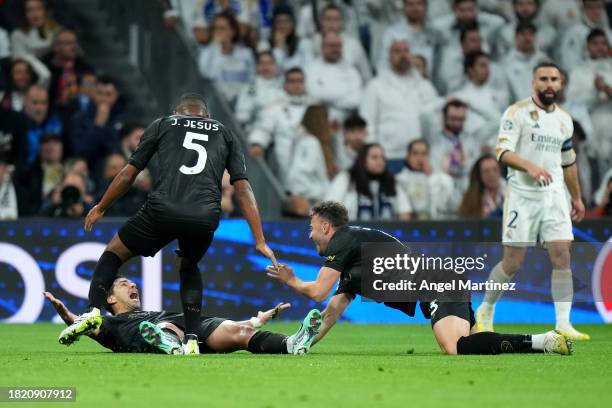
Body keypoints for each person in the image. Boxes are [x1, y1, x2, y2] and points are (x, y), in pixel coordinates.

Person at [57, 93, 279, 356]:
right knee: (189, 266)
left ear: (177, 112)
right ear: (206, 115)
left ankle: (92, 312)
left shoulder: (164, 123)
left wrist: (101, 207)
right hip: (205, 214)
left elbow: (130, 172)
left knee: (114, 253)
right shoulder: (225, 132)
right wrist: (259, 239)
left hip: (163, 209)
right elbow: (242, 188)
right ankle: (193, 339)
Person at [266, 201, 572, 356]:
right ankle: (540, 342)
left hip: (438, 283)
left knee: (454, 347)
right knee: (475, 346)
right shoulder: (353, 258)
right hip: (440, 281)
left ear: (325, 227)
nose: (309, 236)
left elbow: (318, 292)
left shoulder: (343, 240)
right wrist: (297, 343)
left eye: (311, 229)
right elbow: (329, 313)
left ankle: (542, 341)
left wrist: (290, 281)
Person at [475, 62, 589, 341]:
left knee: (562, 255)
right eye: (543, 79)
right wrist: (530, 167)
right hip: (522, 196)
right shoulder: (517, 113)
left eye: (554, 79)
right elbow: (502, 151)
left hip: (554, 195)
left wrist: (576, 197)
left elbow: (568, 161)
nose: (549, 84)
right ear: (533, 83)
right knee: (513, 262)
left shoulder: (564, 120)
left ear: (561, 84)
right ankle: (485, 310)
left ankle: (563, 323)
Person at [46, 276, 321, 355]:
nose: (133, 286)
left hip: (189, 326)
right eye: (124, 284)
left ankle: (292, 344)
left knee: (240, 334)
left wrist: (255, 321)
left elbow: (241, 326)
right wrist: (66, 314)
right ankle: (168, 343)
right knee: (164, 325)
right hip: (165, 328)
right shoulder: (107, 323)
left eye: (133, 284)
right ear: (109, 298)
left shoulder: (152, 311)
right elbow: (82, 326)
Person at [359, 38, 440, 168]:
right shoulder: (376, 86)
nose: (403, 55)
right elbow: (368, 123)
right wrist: (373, 155)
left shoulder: (425, 86)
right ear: (389, 57)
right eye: (397, 51)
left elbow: (435, 122)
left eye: (406, 51)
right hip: (388, 155)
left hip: (418, 157)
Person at [325, 143, 410, 221]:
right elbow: (329, 209)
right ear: (363, 160)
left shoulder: (392, 181)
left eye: (382, 157)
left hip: (386, 235)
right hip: (351, 233)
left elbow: (405, 212)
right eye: (374, 157)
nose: (380, 161)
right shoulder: (346, 178)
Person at [197, 11, 255, 106]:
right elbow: (208, 75)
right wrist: (215, 46)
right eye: (215, 28)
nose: (218, 32)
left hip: (242, 105)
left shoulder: (246, 53)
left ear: (232, 32)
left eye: (222, 28)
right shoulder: (206, 53)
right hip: (216, 106)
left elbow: (251, 80)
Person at [395, 139, 458, 220]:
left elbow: (448, 205)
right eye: (415, 153)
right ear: (408, 156)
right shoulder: (400, 179)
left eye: (424, 154)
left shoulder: (438, 178)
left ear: (429, 156)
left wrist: (432, 177)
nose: (420, 158)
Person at [457, 154, 505, 218]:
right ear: (479, 175)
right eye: (486, 171)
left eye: (495, 170)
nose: (492, 175)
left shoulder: (509, 191)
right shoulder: (471, 198)